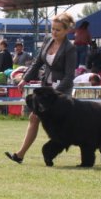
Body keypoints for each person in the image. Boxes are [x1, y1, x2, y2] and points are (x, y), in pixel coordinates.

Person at [5, 12, 76, 164]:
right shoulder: (48, 40)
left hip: (60, 92)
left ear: (66, 31)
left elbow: (69, 76)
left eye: (58, 30)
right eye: (53, 29)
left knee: (63, 125)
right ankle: (20, 155)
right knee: (34, 117)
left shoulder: (70, 49)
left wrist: (55, 93)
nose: (54, 33)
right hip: (46, 89)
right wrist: (25, 79)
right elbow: (37, 62)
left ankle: (49, 151)